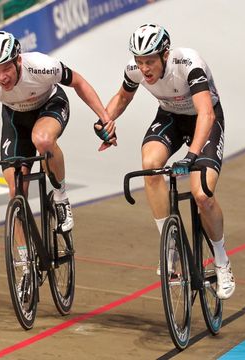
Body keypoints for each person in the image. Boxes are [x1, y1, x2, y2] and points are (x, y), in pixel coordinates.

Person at [98, 23, 235, 299]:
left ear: (165, 54)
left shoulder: (188, 64)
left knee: (202, 195)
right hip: (170, 118)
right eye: (139, 61)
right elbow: (123, 97)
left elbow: (206, 115)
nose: (144, 68)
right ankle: (170, 246)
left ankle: (222, 260)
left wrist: (192, 156)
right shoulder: (134, 69)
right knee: (150, 165)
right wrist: (104, 121)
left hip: (204, 120)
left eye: (150, 61)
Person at [0, 30, 115, 233]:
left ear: (18, 60)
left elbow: (78, 82)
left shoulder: (41, 66)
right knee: (16, 193)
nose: (1, 77)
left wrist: (105, 118)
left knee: (42, 139)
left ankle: (61, 198)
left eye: (6, 68)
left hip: (50, 104)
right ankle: (24, 260)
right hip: (16, 119)